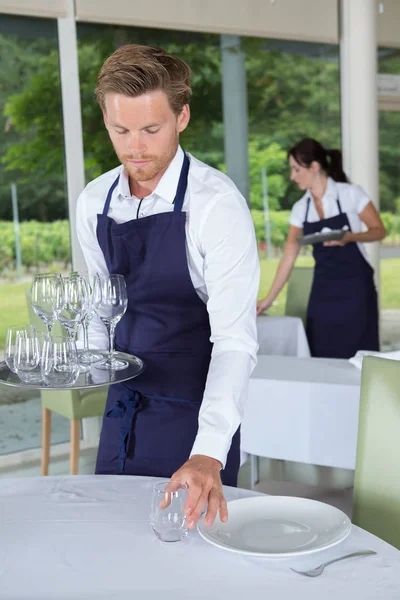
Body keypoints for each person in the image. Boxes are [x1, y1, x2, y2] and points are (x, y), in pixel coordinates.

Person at [76, 45, 259, 530]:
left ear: (182, 116)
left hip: (193, 417)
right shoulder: (94, 201)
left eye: (151, 129)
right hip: (123, 409)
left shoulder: (216, 205)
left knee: (189, 560)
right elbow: (99, 308)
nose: (135, 146)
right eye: (121, 130)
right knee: (113, 542)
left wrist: (209, 452)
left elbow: (235, 340)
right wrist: (83, 366)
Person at [257, 138, 386, 359]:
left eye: (296, 169)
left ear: (314, 166)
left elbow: (378, 231)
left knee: (360, 357)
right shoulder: (301, 208)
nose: (292, 176)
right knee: (320, 352)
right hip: (323, 291)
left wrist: (349, 237)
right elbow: (289, 256)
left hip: (356, 290)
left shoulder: (351, 194)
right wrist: (268, 299)